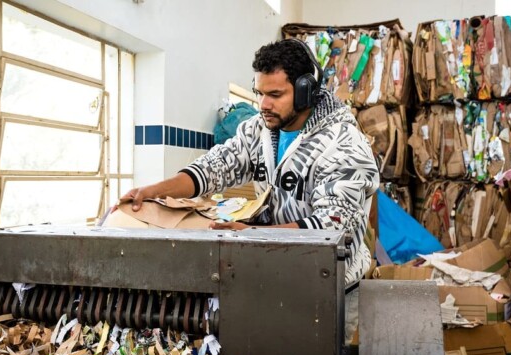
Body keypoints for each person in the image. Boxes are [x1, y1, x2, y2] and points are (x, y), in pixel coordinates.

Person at [121, 38, 379, 294]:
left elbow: (333, 225)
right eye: (260, 93)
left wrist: (253, 234)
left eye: (275, 95)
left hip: (329, 288)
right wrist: (154, 191)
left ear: (305, 91)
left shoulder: (344, 143)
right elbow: (216, 165)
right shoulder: (260, 129)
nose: (263, 105)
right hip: (276, 275)